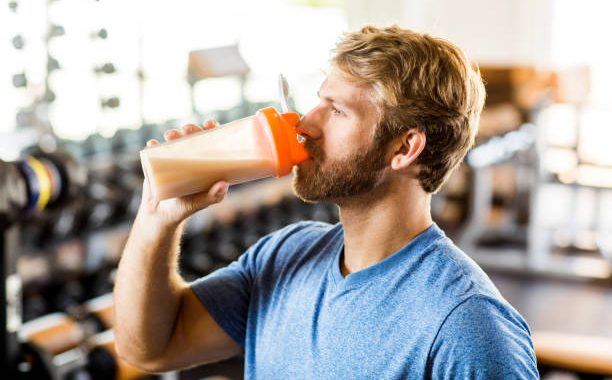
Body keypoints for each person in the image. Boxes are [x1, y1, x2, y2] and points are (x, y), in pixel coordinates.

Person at [114, 25, 539, 379]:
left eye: (336, 111)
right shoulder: (285, 254)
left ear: (405, 147)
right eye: (318, 101)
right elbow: (151, 349)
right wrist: (158, 218)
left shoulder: (468, 327)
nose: (305, 124)